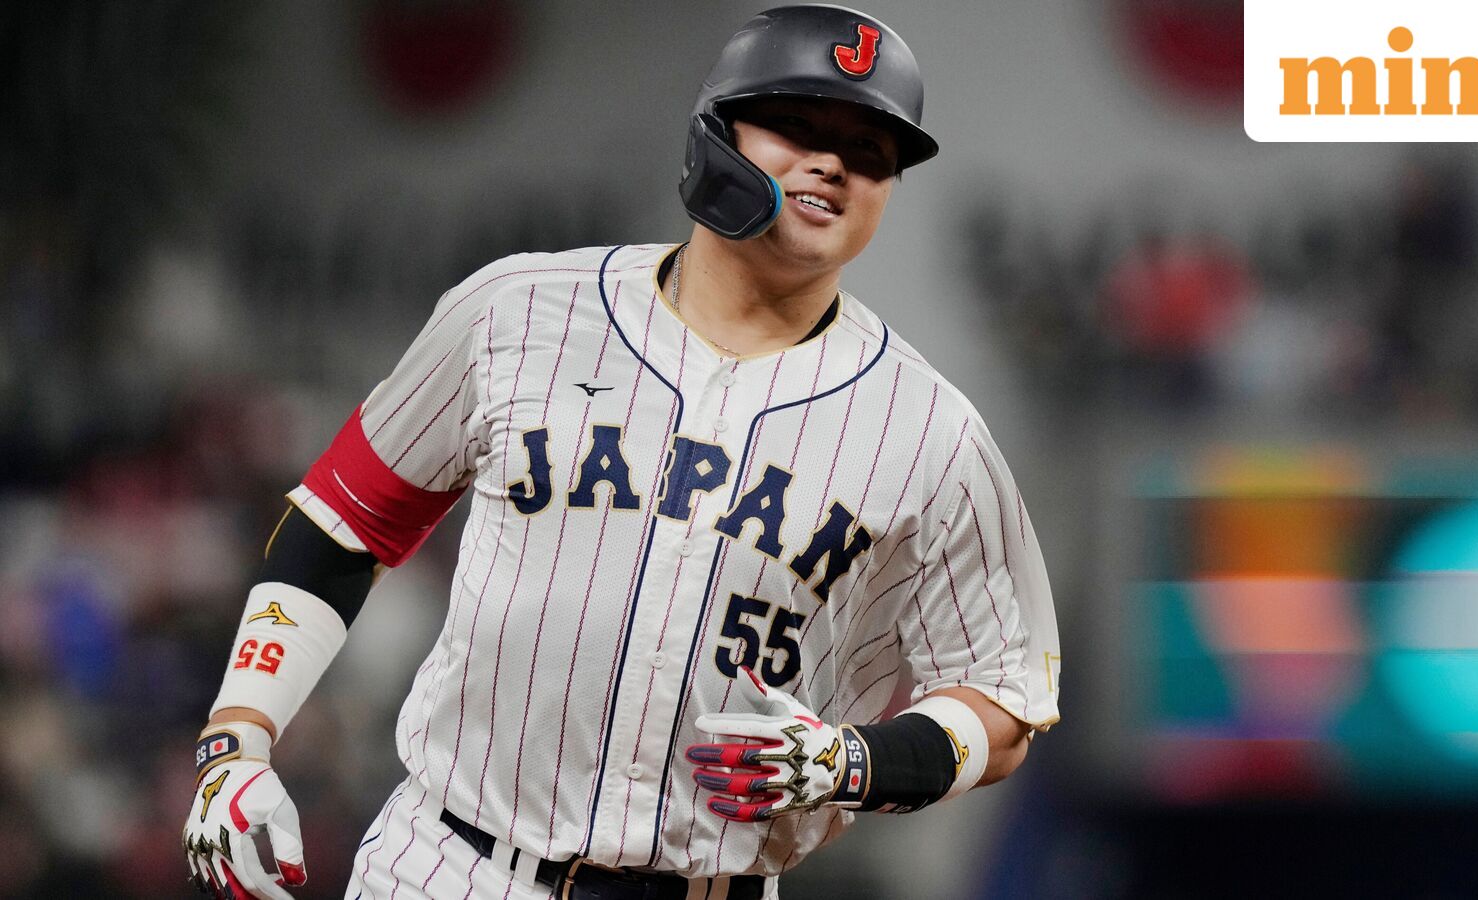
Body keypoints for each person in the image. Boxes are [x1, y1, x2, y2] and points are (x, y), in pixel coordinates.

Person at [182, 6, 1061, 898]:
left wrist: (855, 760)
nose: (833, 162)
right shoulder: (515, 312)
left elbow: (1002, 702)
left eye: (872, 149)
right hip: (452, 864)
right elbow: (343, 523)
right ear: (714, 135)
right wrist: (236, 741)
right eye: (796, 124)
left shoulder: (930, 430)